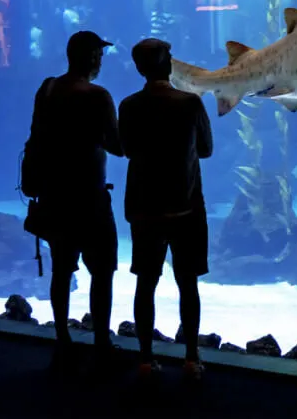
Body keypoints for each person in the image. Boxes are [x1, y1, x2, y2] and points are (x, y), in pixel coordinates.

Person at [26, 30, 123, 372]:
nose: (101, 61)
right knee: (102, 272)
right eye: (100, 55)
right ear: (92, 57)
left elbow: (36, 134)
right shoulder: (98, 96)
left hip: (54, 196)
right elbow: (117, 145)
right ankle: (101, 344)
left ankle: (63, 340)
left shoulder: (48, 88)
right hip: (90, 198)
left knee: (61, 270)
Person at [118, 38, 213, 379]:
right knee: (188, 284)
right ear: (168, 65)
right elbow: (206, 149)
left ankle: (146, 358)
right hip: (185, 207)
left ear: (139, 68)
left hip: (144, 208)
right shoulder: (190, 103)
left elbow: (127, 149)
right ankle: (191, 358)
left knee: (146, 283)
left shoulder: (129, 105)